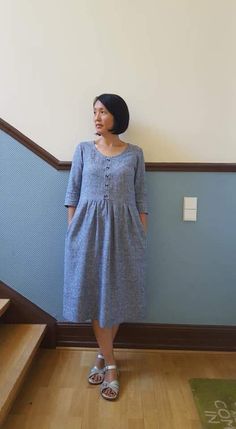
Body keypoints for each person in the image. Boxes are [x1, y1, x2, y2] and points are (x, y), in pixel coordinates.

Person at [63, 93, 148, 401]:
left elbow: (142, 198)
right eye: (94, 112)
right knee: (96, 293)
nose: (96, 117)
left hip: (125, 233)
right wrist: (73, 230)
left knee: (117, 293)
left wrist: (141, 233)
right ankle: (111, 364)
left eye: (103, 111)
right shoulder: (84, 150)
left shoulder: (135, 153)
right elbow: (71, 194)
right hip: (87, 232)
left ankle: (101, 353)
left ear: (117, 116)